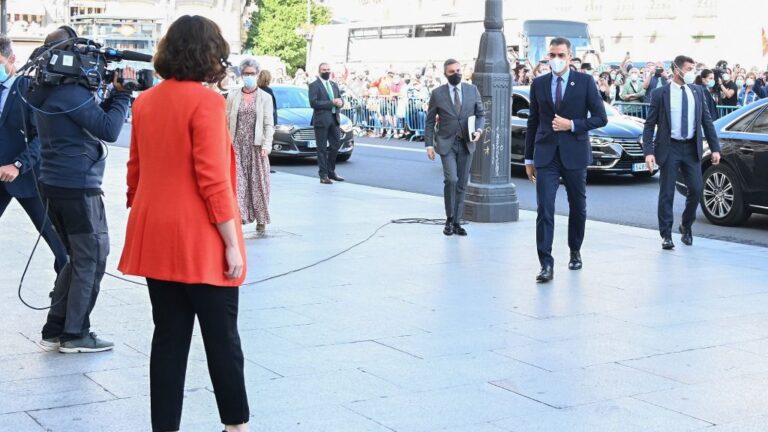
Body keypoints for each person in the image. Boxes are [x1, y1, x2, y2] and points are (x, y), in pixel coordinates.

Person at [117, 15, 250, 432]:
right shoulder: (207, 101)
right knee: (222, 340)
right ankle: (236, 426)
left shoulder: (145, 102)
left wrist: (141, 211)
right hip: (202, 237)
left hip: (156, 233)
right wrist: (231, 241)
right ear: (210, 54)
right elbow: (212, 177)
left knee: (169, 339)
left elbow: (134, 170)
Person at [32, 26, 132, 353]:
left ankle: (56, 326)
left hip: (54, 185)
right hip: (78, 189)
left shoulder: (45, 91)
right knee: (92, 258)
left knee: (77, 258)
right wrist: (121, 95)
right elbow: (109, 129)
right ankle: (76, 334)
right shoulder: (71, 95)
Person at [524, 37, 607, 283]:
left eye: (560, 55)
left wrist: (572, 125)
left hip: (575, 152)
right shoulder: (538, 84)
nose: (556, 59)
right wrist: (529, 158)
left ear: (570, 57)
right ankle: (545, 264)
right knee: (545, 208)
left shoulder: (584, 81)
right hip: (546, 155)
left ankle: (575, 250)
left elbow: (600, 117)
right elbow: (533, 121)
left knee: (577, 207)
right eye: (552, 55)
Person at [0, 35, 67, 280]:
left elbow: (43, 136)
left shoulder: (31, 90)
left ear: (11, 59)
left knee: (59, 245)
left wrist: (19, 164)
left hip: (29, 180)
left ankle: (63, 297)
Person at [642, 55, 721, 250]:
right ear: (676, 69)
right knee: (667, 192)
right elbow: (649, 125)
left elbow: (707, 122)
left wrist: (715, 148)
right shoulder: (661, 94)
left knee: (696, 189)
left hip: (691, 148)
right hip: (670, 148)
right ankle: (666, 234)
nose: (691, 73)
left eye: (693, 68)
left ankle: (686, 225)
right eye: (688, 68)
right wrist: (648, 151)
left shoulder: (698, 92)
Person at [424, 58, 485, 237]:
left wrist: (479, 130)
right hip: (446, 143)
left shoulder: (472, 90)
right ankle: (449, 219)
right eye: (452, 72)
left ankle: (457, 222)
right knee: (451, 180)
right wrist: (429, 145)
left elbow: (480, 114)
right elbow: (429, 121)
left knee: (462, 183)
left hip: (466, 142)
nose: (456, 74)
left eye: (458, 70)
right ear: (445, 74)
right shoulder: (437, 93)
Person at [226, 58, 274, 233]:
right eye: (246, 74)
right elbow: (226, 121)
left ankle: (261, 220)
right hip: (237, 145)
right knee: (238, 184)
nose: (249, 76)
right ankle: (240, 217)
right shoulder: (232, 96)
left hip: (256, 147)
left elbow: (269, 123)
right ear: (241, 75)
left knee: (258, 184)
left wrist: (267, 145)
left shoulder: (265, 97)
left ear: (257, 75)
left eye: (252, 74)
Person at [308, 62, 344, 184]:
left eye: (328, 69)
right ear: (319, 71)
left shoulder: (334, 84)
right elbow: (314, 103)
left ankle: (331, 171)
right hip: (321, 120)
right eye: (324, 70)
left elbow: (339, 99)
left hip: (334, 119)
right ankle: (323, 175)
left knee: (335, 145)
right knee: (322, 148)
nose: (326, 71)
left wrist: (340, 103)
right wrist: (331, 103)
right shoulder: (314, 85)